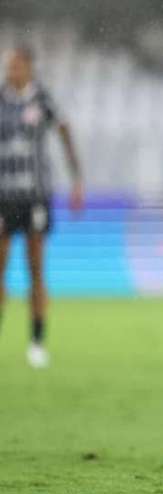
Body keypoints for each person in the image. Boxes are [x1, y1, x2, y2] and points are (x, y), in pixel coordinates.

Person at [0, 46, 83, 368]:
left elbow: (65, 134)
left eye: (17, 66)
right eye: (9, 66)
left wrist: (77, 180)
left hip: (35, 197)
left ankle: (37, 342)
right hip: (4, 197)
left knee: (35, 269)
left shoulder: (43, 100)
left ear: (30, 69)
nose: (12, 71)